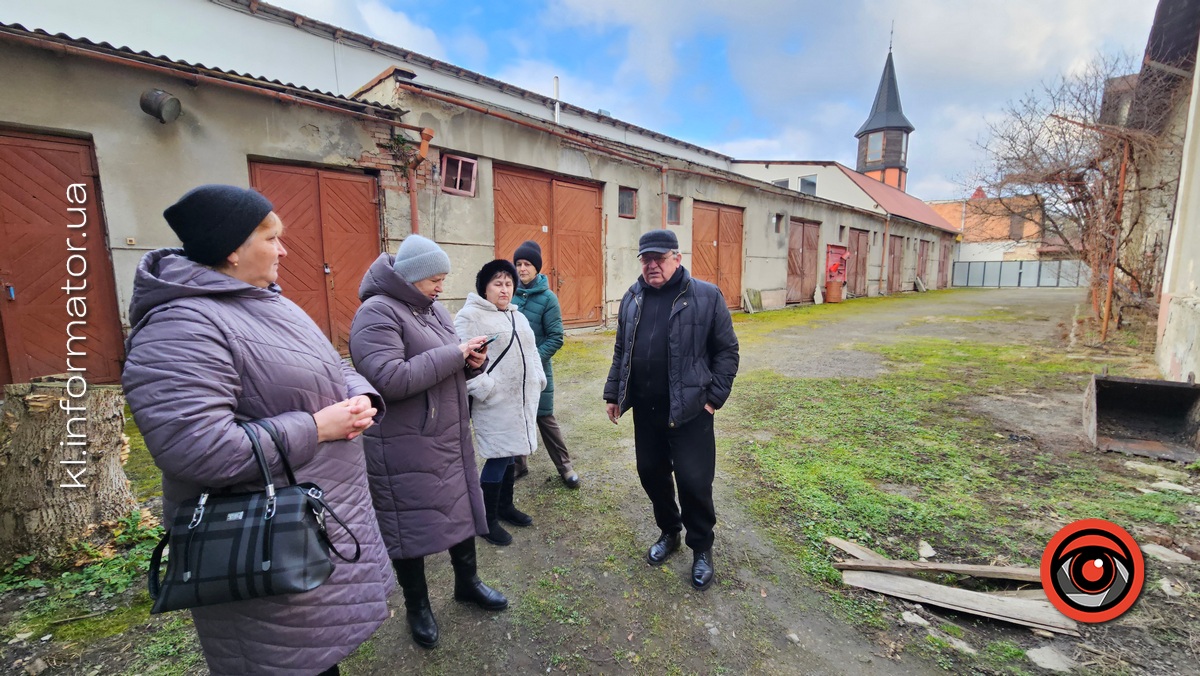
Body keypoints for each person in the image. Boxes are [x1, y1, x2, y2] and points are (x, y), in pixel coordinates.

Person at [122, 184, 392, 676]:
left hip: (309, 524)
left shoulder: (266, 301)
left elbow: (329, 364)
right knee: (287, 660)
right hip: (265, 542)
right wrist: (316, 428)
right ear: (231, 248)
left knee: (314, 658)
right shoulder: (180, 325)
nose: (284, 249)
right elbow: (197, 450)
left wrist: (359, 395)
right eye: (271, 238)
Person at [348, 235, 508, 650]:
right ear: (411, 276)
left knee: (457, 506)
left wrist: (472, 363)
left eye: (442, 279)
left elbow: (442, 365)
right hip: (403, 443)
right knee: (408, 523)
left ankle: (467, 583)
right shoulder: (376, 313)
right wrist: (455, 356)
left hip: (446, 435)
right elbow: (390, 378)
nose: (441, 287)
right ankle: (418, 606)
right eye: (434, 279)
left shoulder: (432, 309)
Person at [603, 229, 739, 591]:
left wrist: (714, 399)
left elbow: (727, 351)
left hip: (691, 410)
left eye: (658, 259)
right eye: (645, 259)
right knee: (651, 473)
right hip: (647, 410)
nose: (651, 266)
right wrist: (614, 392)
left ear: (677, 259)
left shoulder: (706, 296)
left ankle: (701, 547)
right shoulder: (633, 298)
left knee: (695, 481)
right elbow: (621, 351)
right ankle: (669, 531)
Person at [454, 259, 546, 546]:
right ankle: (487, 520)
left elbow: (531, 352)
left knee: (510, 454)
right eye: (498, 284)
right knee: (497, 457)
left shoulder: (517, 316)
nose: (504, 289)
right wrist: (484, 387)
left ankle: (505, 507)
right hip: (494, 401)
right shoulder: (470, 316)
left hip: (521, 399)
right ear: (485, 288)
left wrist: (538, 379)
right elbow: (459, 361)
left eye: (509, 284)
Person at [510, 240, 581, 489]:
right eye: (518, 264)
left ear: (537, 268)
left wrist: (532, 360)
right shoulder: (509, 294)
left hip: (538, 370)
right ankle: (519, 464)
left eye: (527, 264)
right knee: (517, 416)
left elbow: (556, 337)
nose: (521, 269)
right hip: (512, 372)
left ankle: (565, 467)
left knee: (545, 418)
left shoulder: (549, 299)